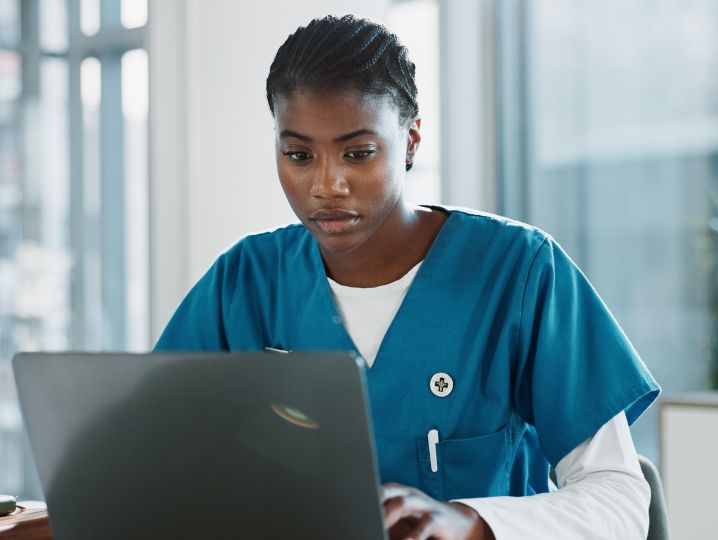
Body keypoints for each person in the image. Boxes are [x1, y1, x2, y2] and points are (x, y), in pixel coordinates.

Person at [155, 14, 660, 540]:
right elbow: (147, 452)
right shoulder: (245, 279)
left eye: (358, 153)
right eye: (299, 155)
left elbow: (619, 497)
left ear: (412, 140)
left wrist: (472, 522)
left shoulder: (521, 271)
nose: (327, 185)